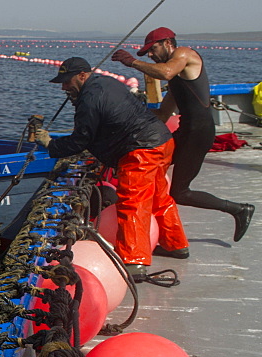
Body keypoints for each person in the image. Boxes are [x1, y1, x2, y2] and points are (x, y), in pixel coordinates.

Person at [35, 57, 187, 280]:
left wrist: (51, 144)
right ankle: (176, 245)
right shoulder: (105, 82)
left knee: (132, 203)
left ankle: (134, 262)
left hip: (140, 150)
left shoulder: (88, 100)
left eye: (67, 81)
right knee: (159, 197)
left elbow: (80, 141)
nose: (64, 87)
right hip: (162, 141)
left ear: (83, 76)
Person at [113, 27, 254, 243]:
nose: (150, 55)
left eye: (152, 49)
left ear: (168, 43)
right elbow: (162, 113)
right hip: (187, 130)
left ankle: (239, 209)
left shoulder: (184, 54)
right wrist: (124, 116)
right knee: (154, 166)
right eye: (147, 53)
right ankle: (168, 240)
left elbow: (166, 71)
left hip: (199, 132)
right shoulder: (176, 81)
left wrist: (132, 62)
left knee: (181, 192)